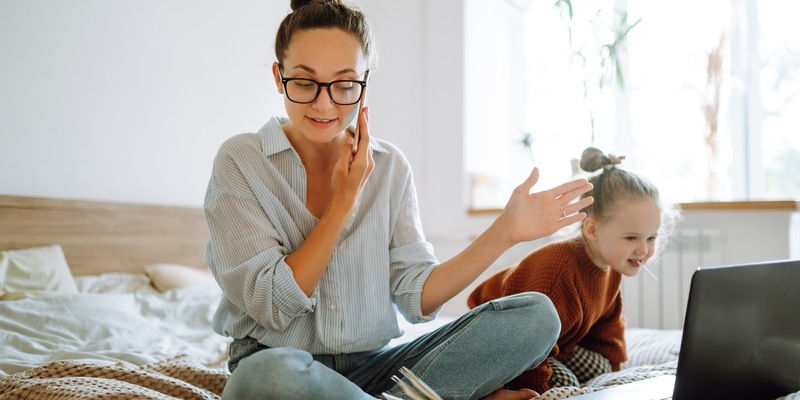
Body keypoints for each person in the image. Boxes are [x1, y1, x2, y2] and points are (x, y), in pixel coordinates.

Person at [203, 1, 594, 399]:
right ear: (278, 76)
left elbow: (415, 297)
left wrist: (504, 232)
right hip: (283, 362)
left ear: (364, 83)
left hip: (379, 368)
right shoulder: (241, 160)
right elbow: (271, 305)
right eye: (304, 83)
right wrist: (343, 204)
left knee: (535, 316)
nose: (324, 105)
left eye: (344, 85)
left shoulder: (391, 167)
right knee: (263, 379)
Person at [467, 147, 679, 394]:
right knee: (567, 382)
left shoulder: (610, 267)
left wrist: (614, 374)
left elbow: (608, 329)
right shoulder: (559, 268)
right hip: (501, 342)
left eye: (651, 238)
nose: (643, 250)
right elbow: (525, 339)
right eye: (631, 238)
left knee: (601, 367)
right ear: (592, 230)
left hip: (555, 344)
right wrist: (539, 390)